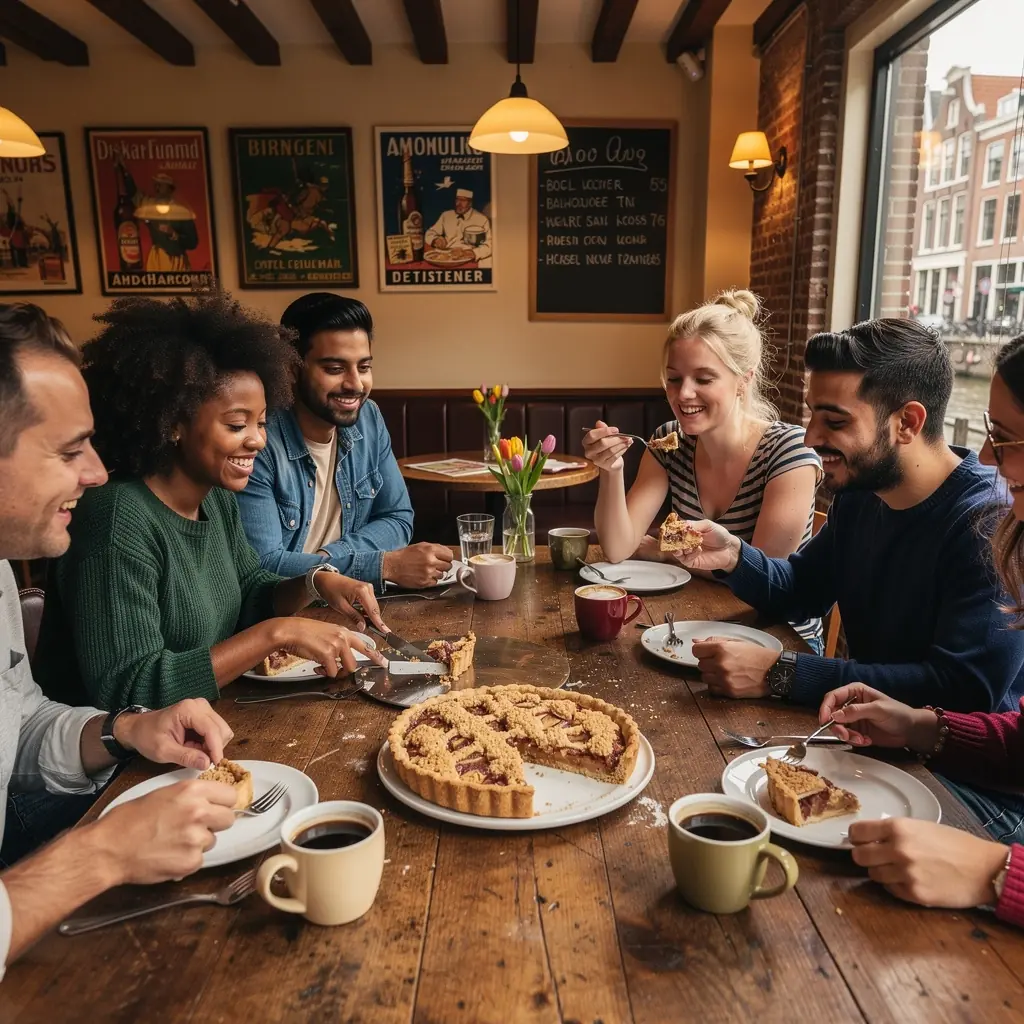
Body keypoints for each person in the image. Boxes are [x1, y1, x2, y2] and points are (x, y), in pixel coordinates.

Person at [0, 300, 240, 975]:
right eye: (69, 450)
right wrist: (100, 854)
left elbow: (17, 722)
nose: (97, 472)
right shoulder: (119, 518)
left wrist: (125, 729)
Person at [35, 291, 387, 712]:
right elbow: (128, 691)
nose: (257, 441)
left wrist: (313, 582)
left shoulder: (216, 498)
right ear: (173, 423)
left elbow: (250, 593)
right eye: (237, 425)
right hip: (114, 752)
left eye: (261, 422)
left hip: (207, 718)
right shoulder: (114, 518)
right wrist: (276, 634)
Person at [678, 318, 1024, 713]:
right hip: (857, 731)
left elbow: (965, 689)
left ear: (907, 423)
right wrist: (734, 556)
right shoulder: (862, 492)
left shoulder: (991, 520)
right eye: (812, 415)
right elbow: (803, 589)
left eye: (835, 421)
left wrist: (783, 672)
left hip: (943, 753)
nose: (810, 437)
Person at [583, 290, 823, 651]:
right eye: (674, 379)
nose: (683, 394)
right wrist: (612, 469)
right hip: (699, 625)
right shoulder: (670, 442)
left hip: (782, 645)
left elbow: (762, 580)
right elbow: (618, 548)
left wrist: (664, 551)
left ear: (743, 379)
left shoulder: (790, 450)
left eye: (704, 379)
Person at [235, 293, 453, 592]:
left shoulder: (368, 418)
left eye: (363, 367)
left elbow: (398, 517)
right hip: (286, 610)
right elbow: (264, 565)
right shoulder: (258, 440)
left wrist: (328, 559)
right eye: (335, 369)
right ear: (292, 370)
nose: (355, 384)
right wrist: (382, 565)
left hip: (351, 598)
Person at [424, 188, 492, 267]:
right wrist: (435, 239)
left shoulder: (481, 219)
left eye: (463, 200)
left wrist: (474, 253)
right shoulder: (446, 215)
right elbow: (430, 232)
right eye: (457, 200)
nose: (458, 204)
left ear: (470, 203)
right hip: (447, 257)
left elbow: (490, 244)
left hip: (469, 259)